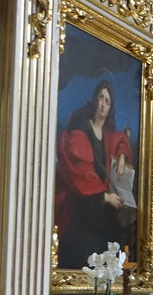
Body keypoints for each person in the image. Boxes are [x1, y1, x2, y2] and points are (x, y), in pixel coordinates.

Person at [55, 78, 135, 269]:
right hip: (83, 207)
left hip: (100, 209)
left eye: (107, 101)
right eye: (100, 98)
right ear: (94, 100)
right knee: (84, 252)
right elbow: (81, 170)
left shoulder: (107, 133)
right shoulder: (81, 129)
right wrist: (105, 197)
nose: (103, 104)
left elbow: (120, 140)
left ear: (110, 107)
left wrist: (122, 156)